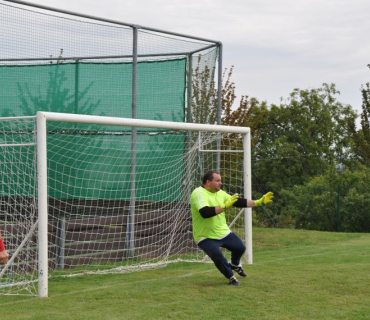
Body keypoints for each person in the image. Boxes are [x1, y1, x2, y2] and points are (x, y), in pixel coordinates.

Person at [190, 170, 274, 286]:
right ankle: (231, 277)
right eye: (218, 180)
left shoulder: (220, 193)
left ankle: (235, 264)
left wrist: (258, 202)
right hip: (205, 236)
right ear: (208, 182)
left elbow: (237, 202)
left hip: (223, 232)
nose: (221, 183)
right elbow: (205, 213)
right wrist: (224, 206)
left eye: (221, 180)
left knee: (240, 248)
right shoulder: (198, 193)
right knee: (218, 256)